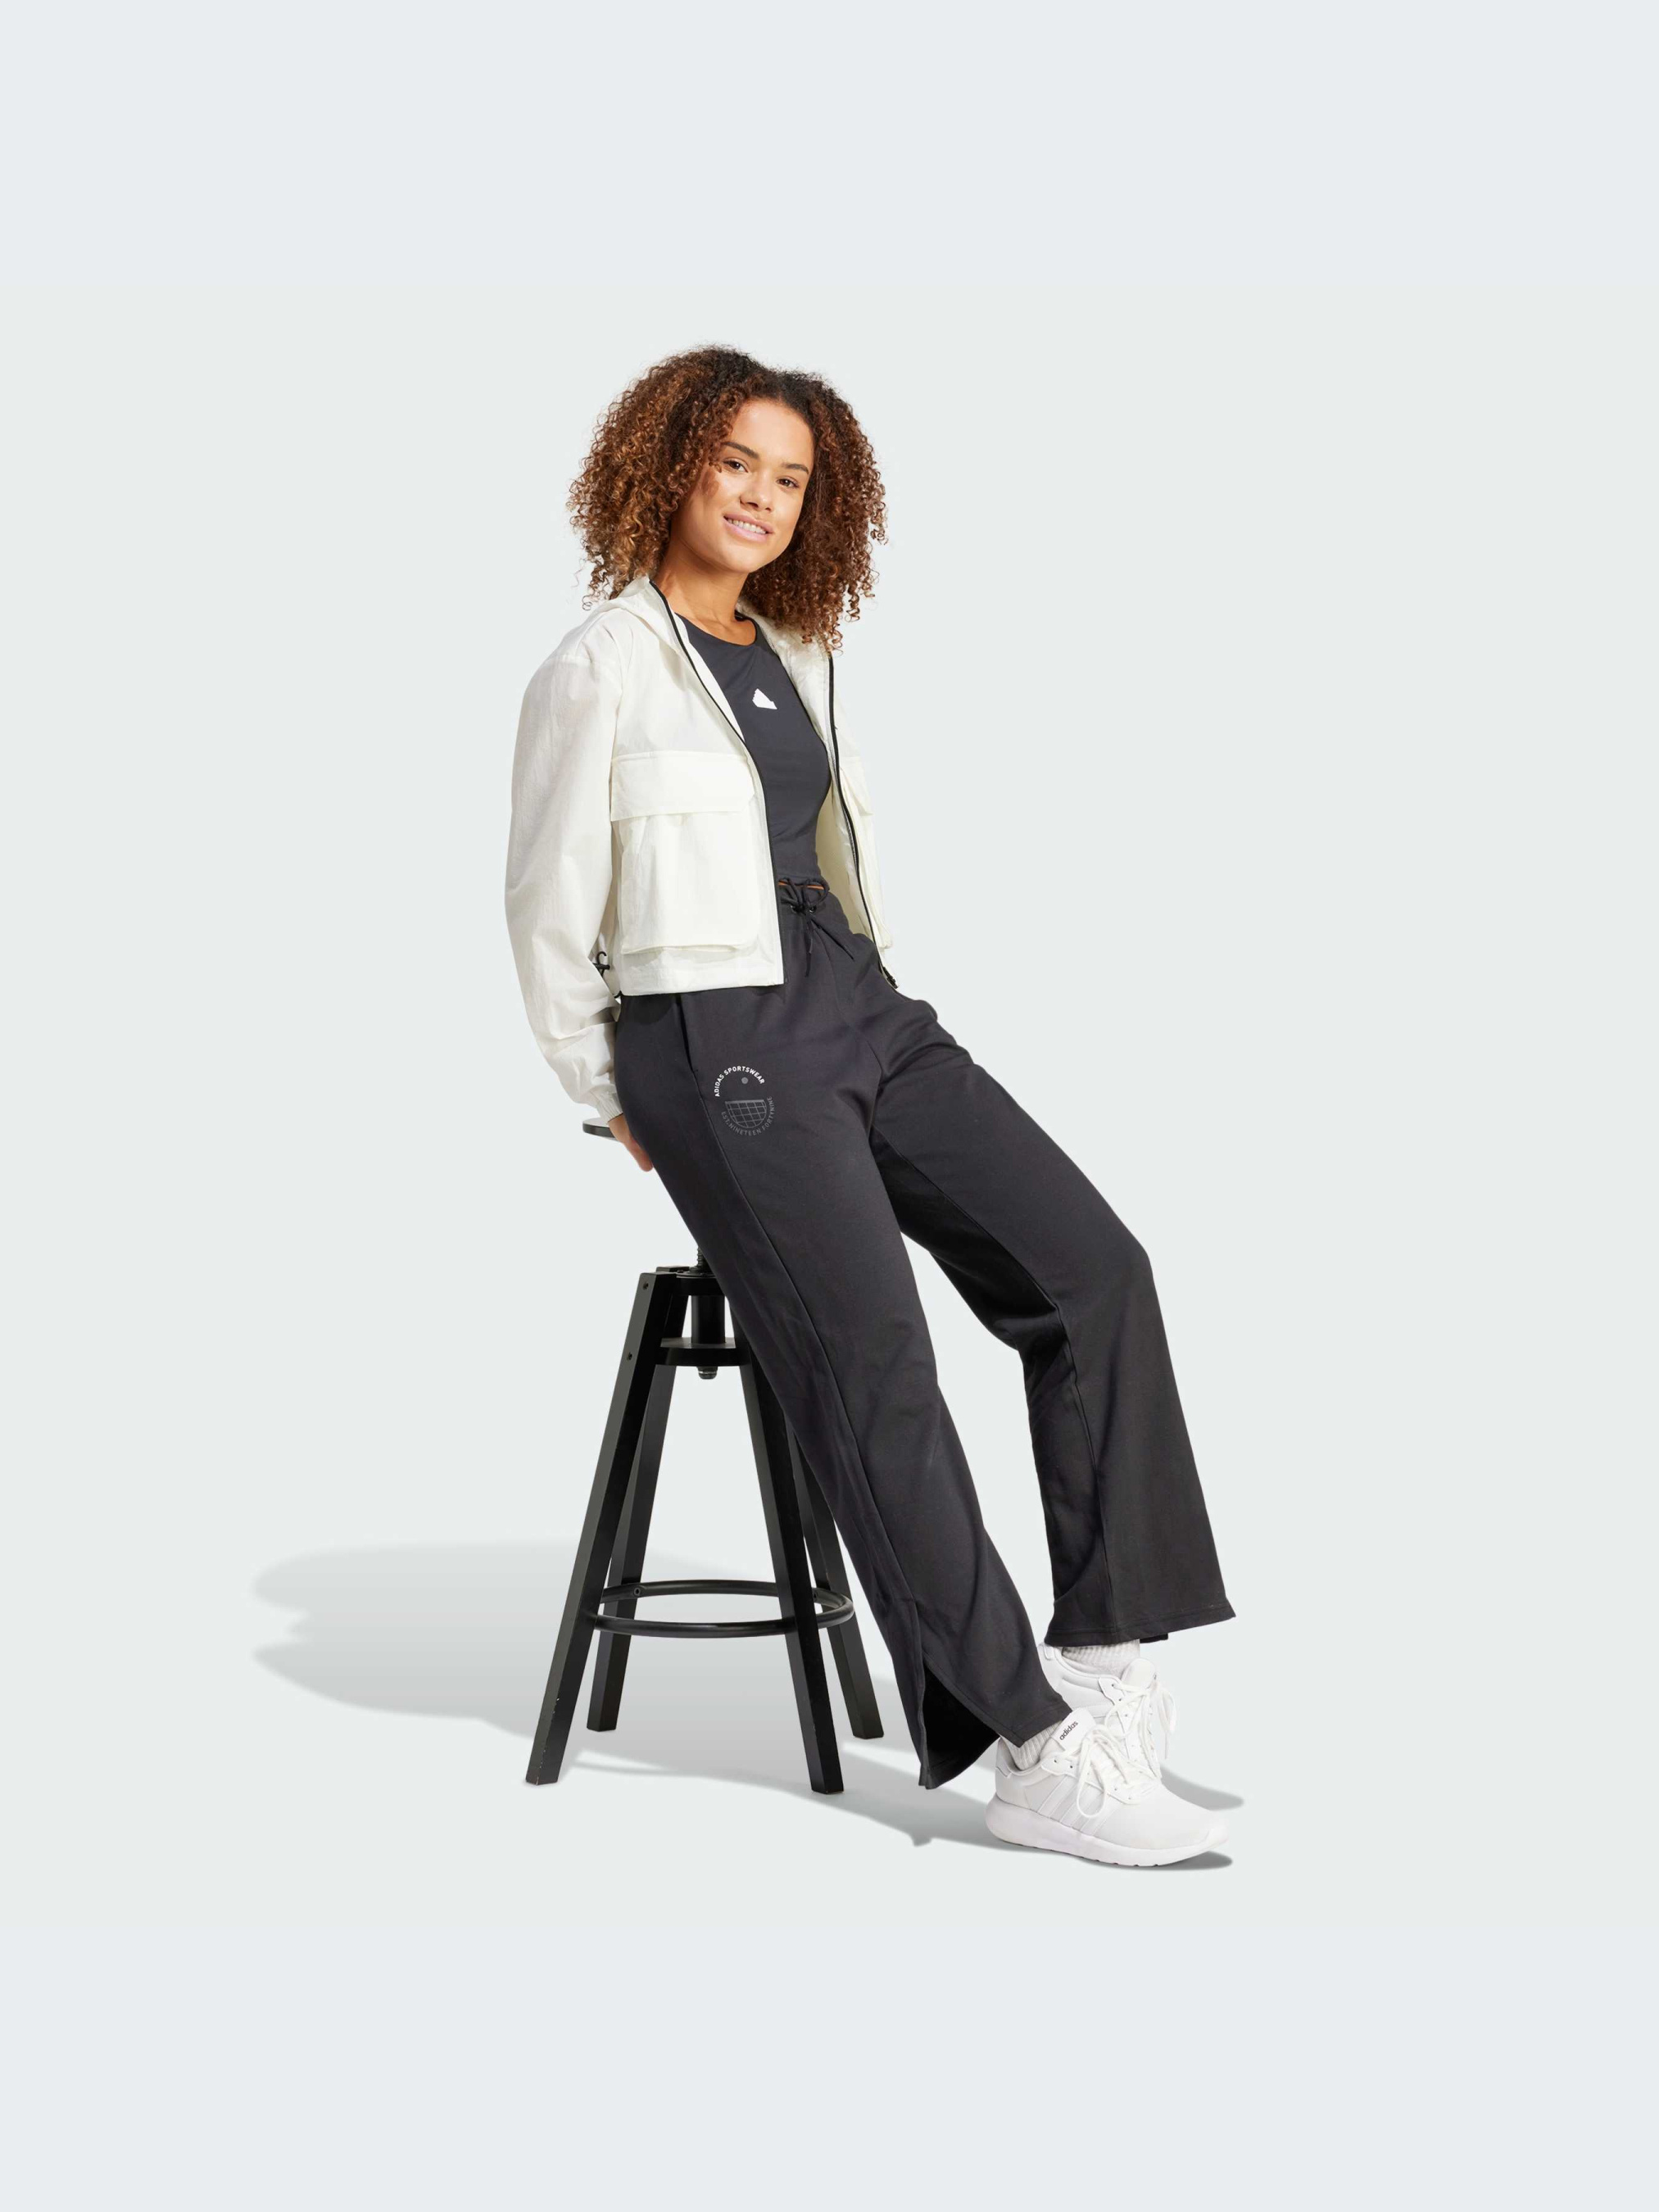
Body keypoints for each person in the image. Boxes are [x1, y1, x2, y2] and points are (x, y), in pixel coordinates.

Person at [505, 346, 1235, 1866]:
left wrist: (870, 985)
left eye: (790, 478)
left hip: (856, 1001)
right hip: (716, 1031)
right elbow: (545, 902)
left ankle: (1105, 1670)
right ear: (667, 467)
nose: (761, 498)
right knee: (877, 1364)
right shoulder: (600, 666)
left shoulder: (793, 646)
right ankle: (1029, 1751)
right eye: (735, 465)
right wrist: (609, 1088)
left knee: (1092, 1272)